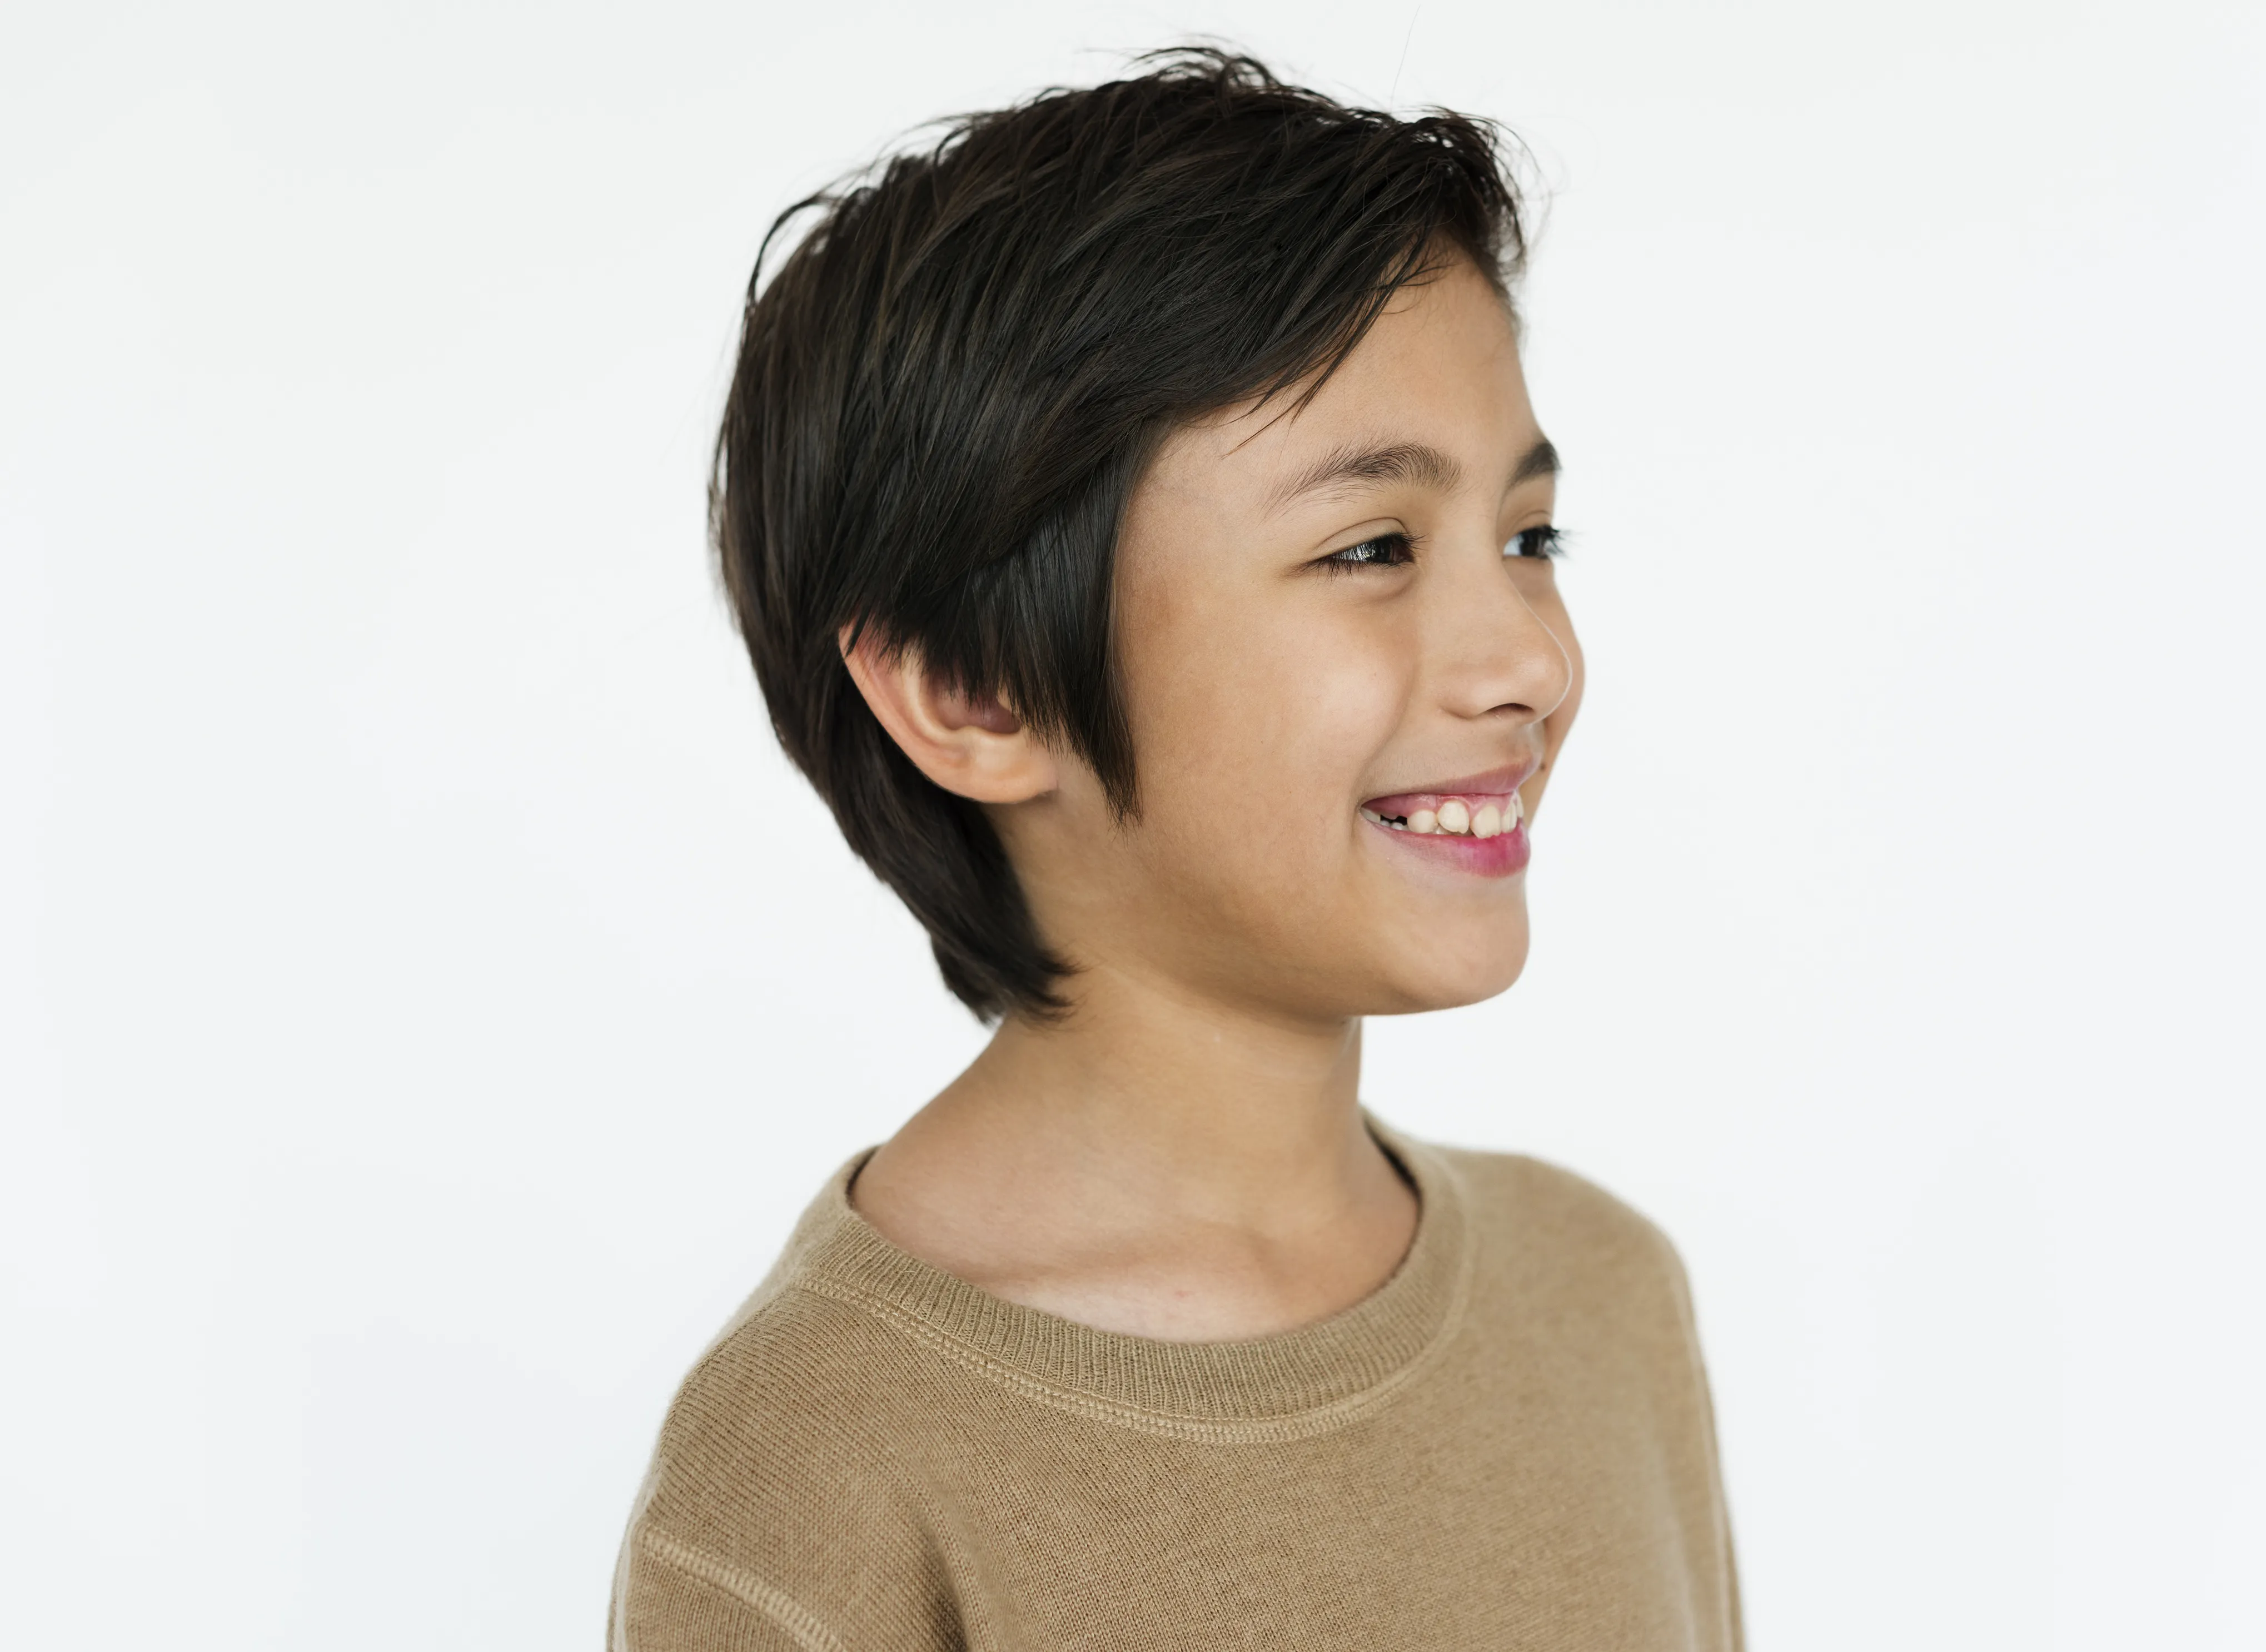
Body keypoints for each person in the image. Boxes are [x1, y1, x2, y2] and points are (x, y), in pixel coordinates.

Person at [610, 48, 1740, 1651]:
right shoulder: (812, 1466)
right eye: (1369, 547)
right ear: (969, 687)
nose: (1529, 662)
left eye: (1526, 537)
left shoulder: (1605, 1297)